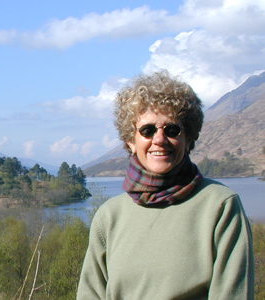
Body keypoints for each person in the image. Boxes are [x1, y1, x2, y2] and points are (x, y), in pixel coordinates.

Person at [77, 71, 254, 299]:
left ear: (188, 139)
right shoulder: (110, 216)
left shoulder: (220, 205)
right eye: (148, 130)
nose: (159, 139)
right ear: (131, 141)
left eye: (172, 130)